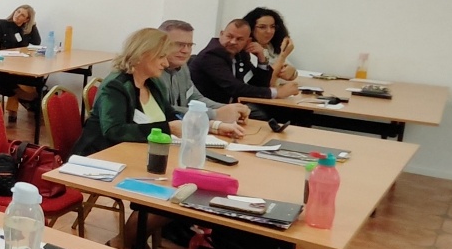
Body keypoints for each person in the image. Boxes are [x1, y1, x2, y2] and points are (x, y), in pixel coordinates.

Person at [72, 28, 244, 158]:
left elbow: (172, 116)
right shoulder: (116, 86)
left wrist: (214, 126)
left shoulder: (153, 84)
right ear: (142, 55)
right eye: (161, 57)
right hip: (99, 157)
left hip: (139, 155)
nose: (165, 63)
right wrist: (167, 128)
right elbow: (114, 131)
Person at [158, 20, 250, 124]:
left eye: (189, 45)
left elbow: (195, 98)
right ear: (160, 43)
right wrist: (215, 114)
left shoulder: (182, 67)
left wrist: (230, 109)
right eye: (179, 44)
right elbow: (163, 109)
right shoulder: (152, 72)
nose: (185, 51)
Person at [190, 19, 299, 104]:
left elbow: (257, 84)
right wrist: (276, 92)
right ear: (221, 34)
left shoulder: (240, 54)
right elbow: (235, 88)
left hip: (234, 106)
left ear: (248, 41)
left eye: (239, 39)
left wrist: (262, 60)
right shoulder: (211, 56)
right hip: (211, 109)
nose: (233, 42)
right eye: (229, 36)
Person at [242, 7, 297, 83]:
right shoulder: (249, 51)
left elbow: (290, 69)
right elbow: (267, 81)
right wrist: (283, 55)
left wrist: (293, 73)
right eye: (262, 27)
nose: (269, 31)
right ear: (250, 28)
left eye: (272, 26)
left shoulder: (270, 46)